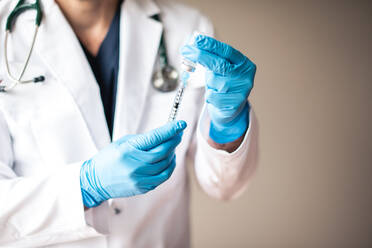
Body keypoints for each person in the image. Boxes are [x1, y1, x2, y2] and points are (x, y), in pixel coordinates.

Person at [0, 0, 258, 247]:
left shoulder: (185, 26)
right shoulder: (5, 30)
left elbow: (224, 185)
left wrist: (227, 126)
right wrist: (85, 186)